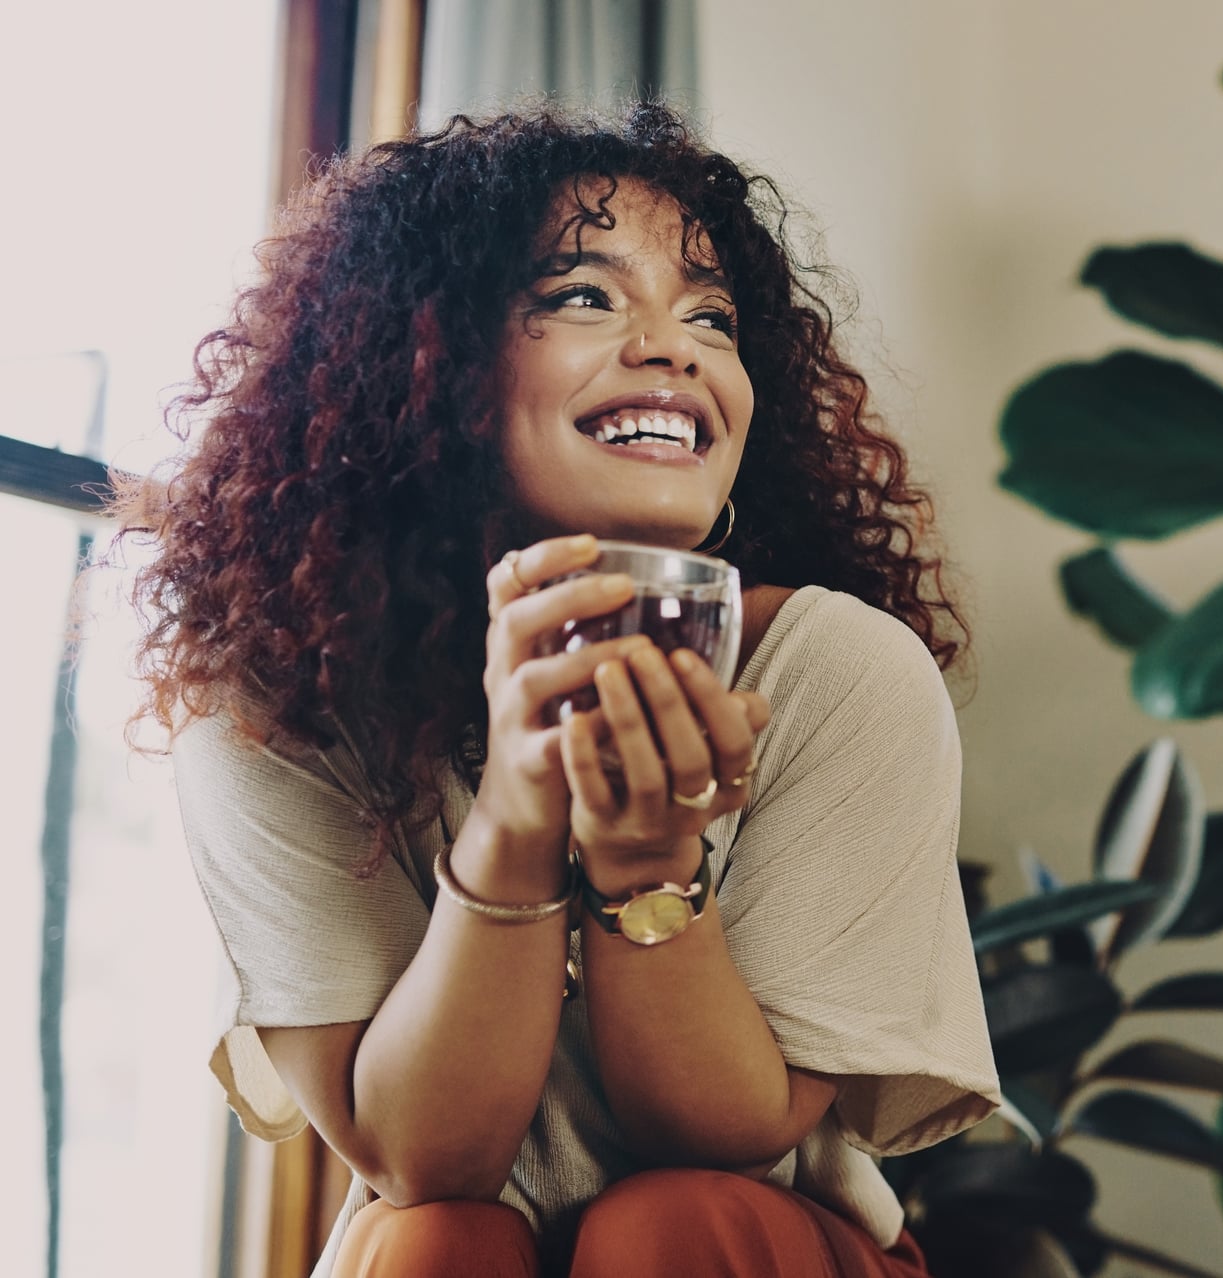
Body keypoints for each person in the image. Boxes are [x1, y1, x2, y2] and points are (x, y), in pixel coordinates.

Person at [114, 103, 999, 1277]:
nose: (674, 346)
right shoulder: (276, 708)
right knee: (429, 1246)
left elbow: (728, 1140)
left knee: (667, 1229)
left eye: (711, 315)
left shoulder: (838, 675)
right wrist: (521, 821)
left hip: (751, 1243)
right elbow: (422, 1158)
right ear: (418, 365)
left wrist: (646, 867)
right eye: (583, 296)